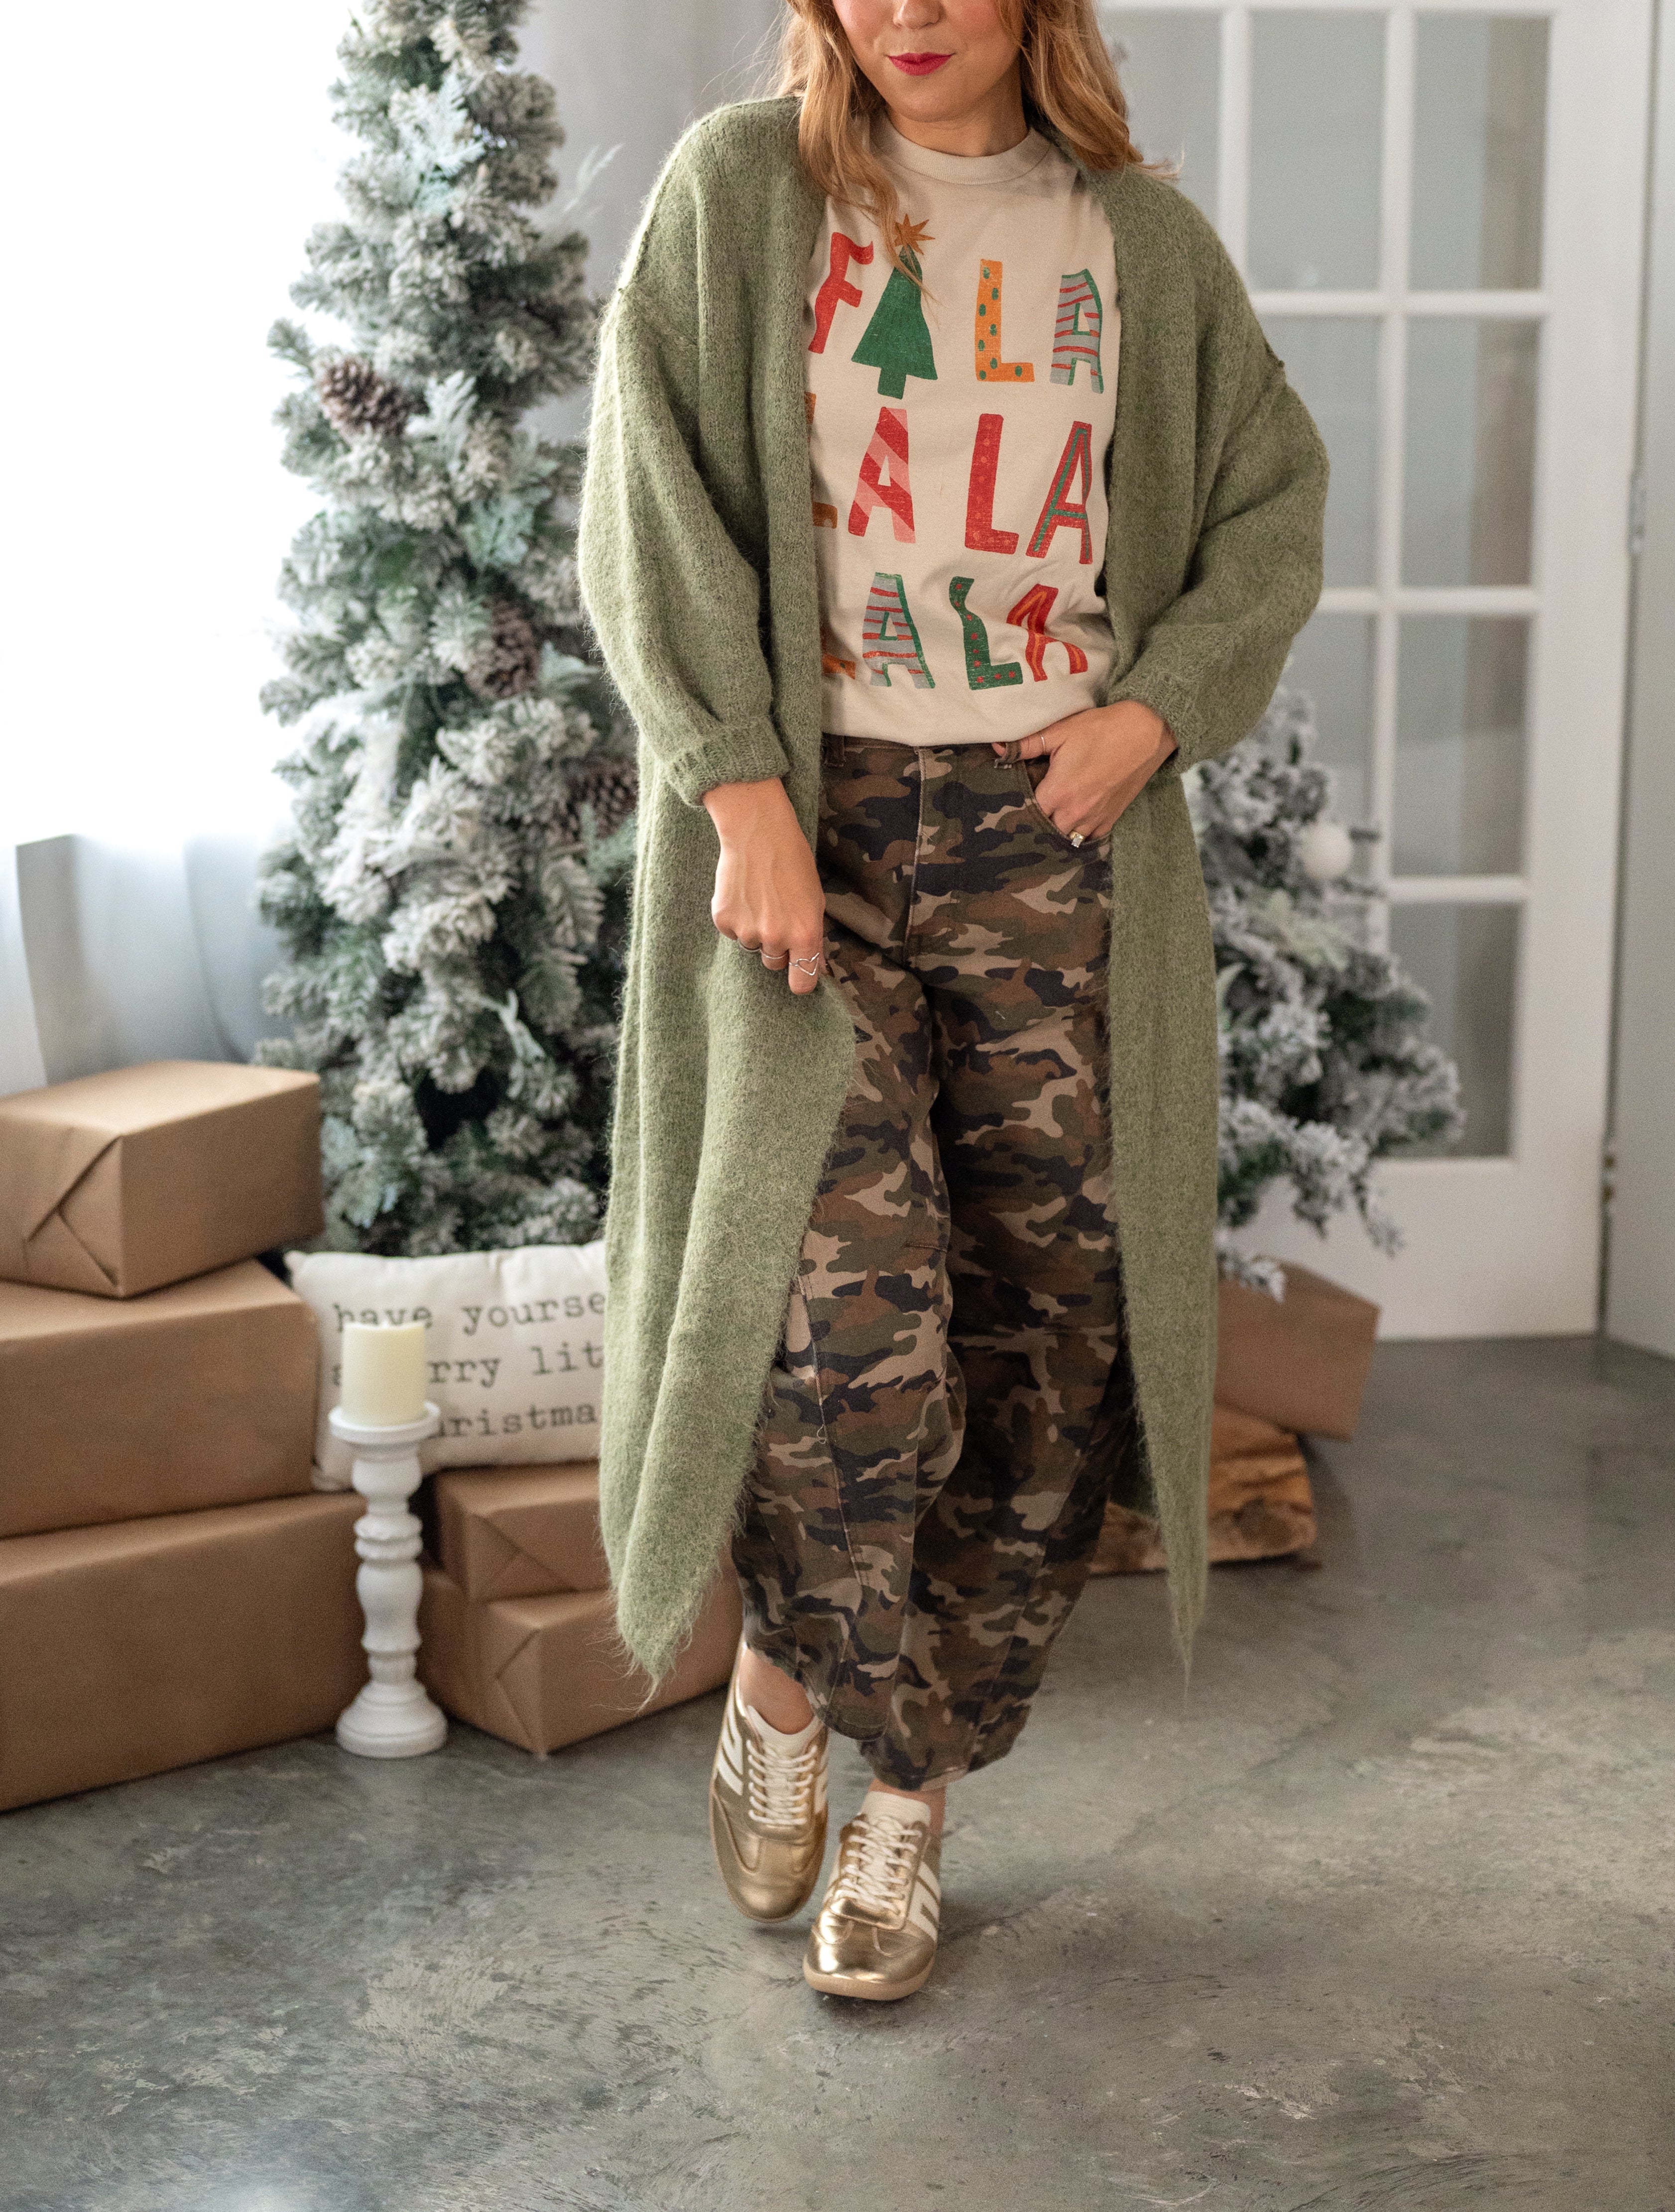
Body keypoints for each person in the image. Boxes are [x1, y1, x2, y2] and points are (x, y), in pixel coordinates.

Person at [577, 0, 1327, 2002]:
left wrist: (1153, 710)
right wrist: (735, 783)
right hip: (807, 832)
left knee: (1048, 1343)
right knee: (842, 1332)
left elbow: (1268, 503)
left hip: (1050, 843)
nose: (908, 8)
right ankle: (785, 1674)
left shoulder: (1136, 245)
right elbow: (648, 502)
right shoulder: (741, 196)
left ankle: (908, 1808)